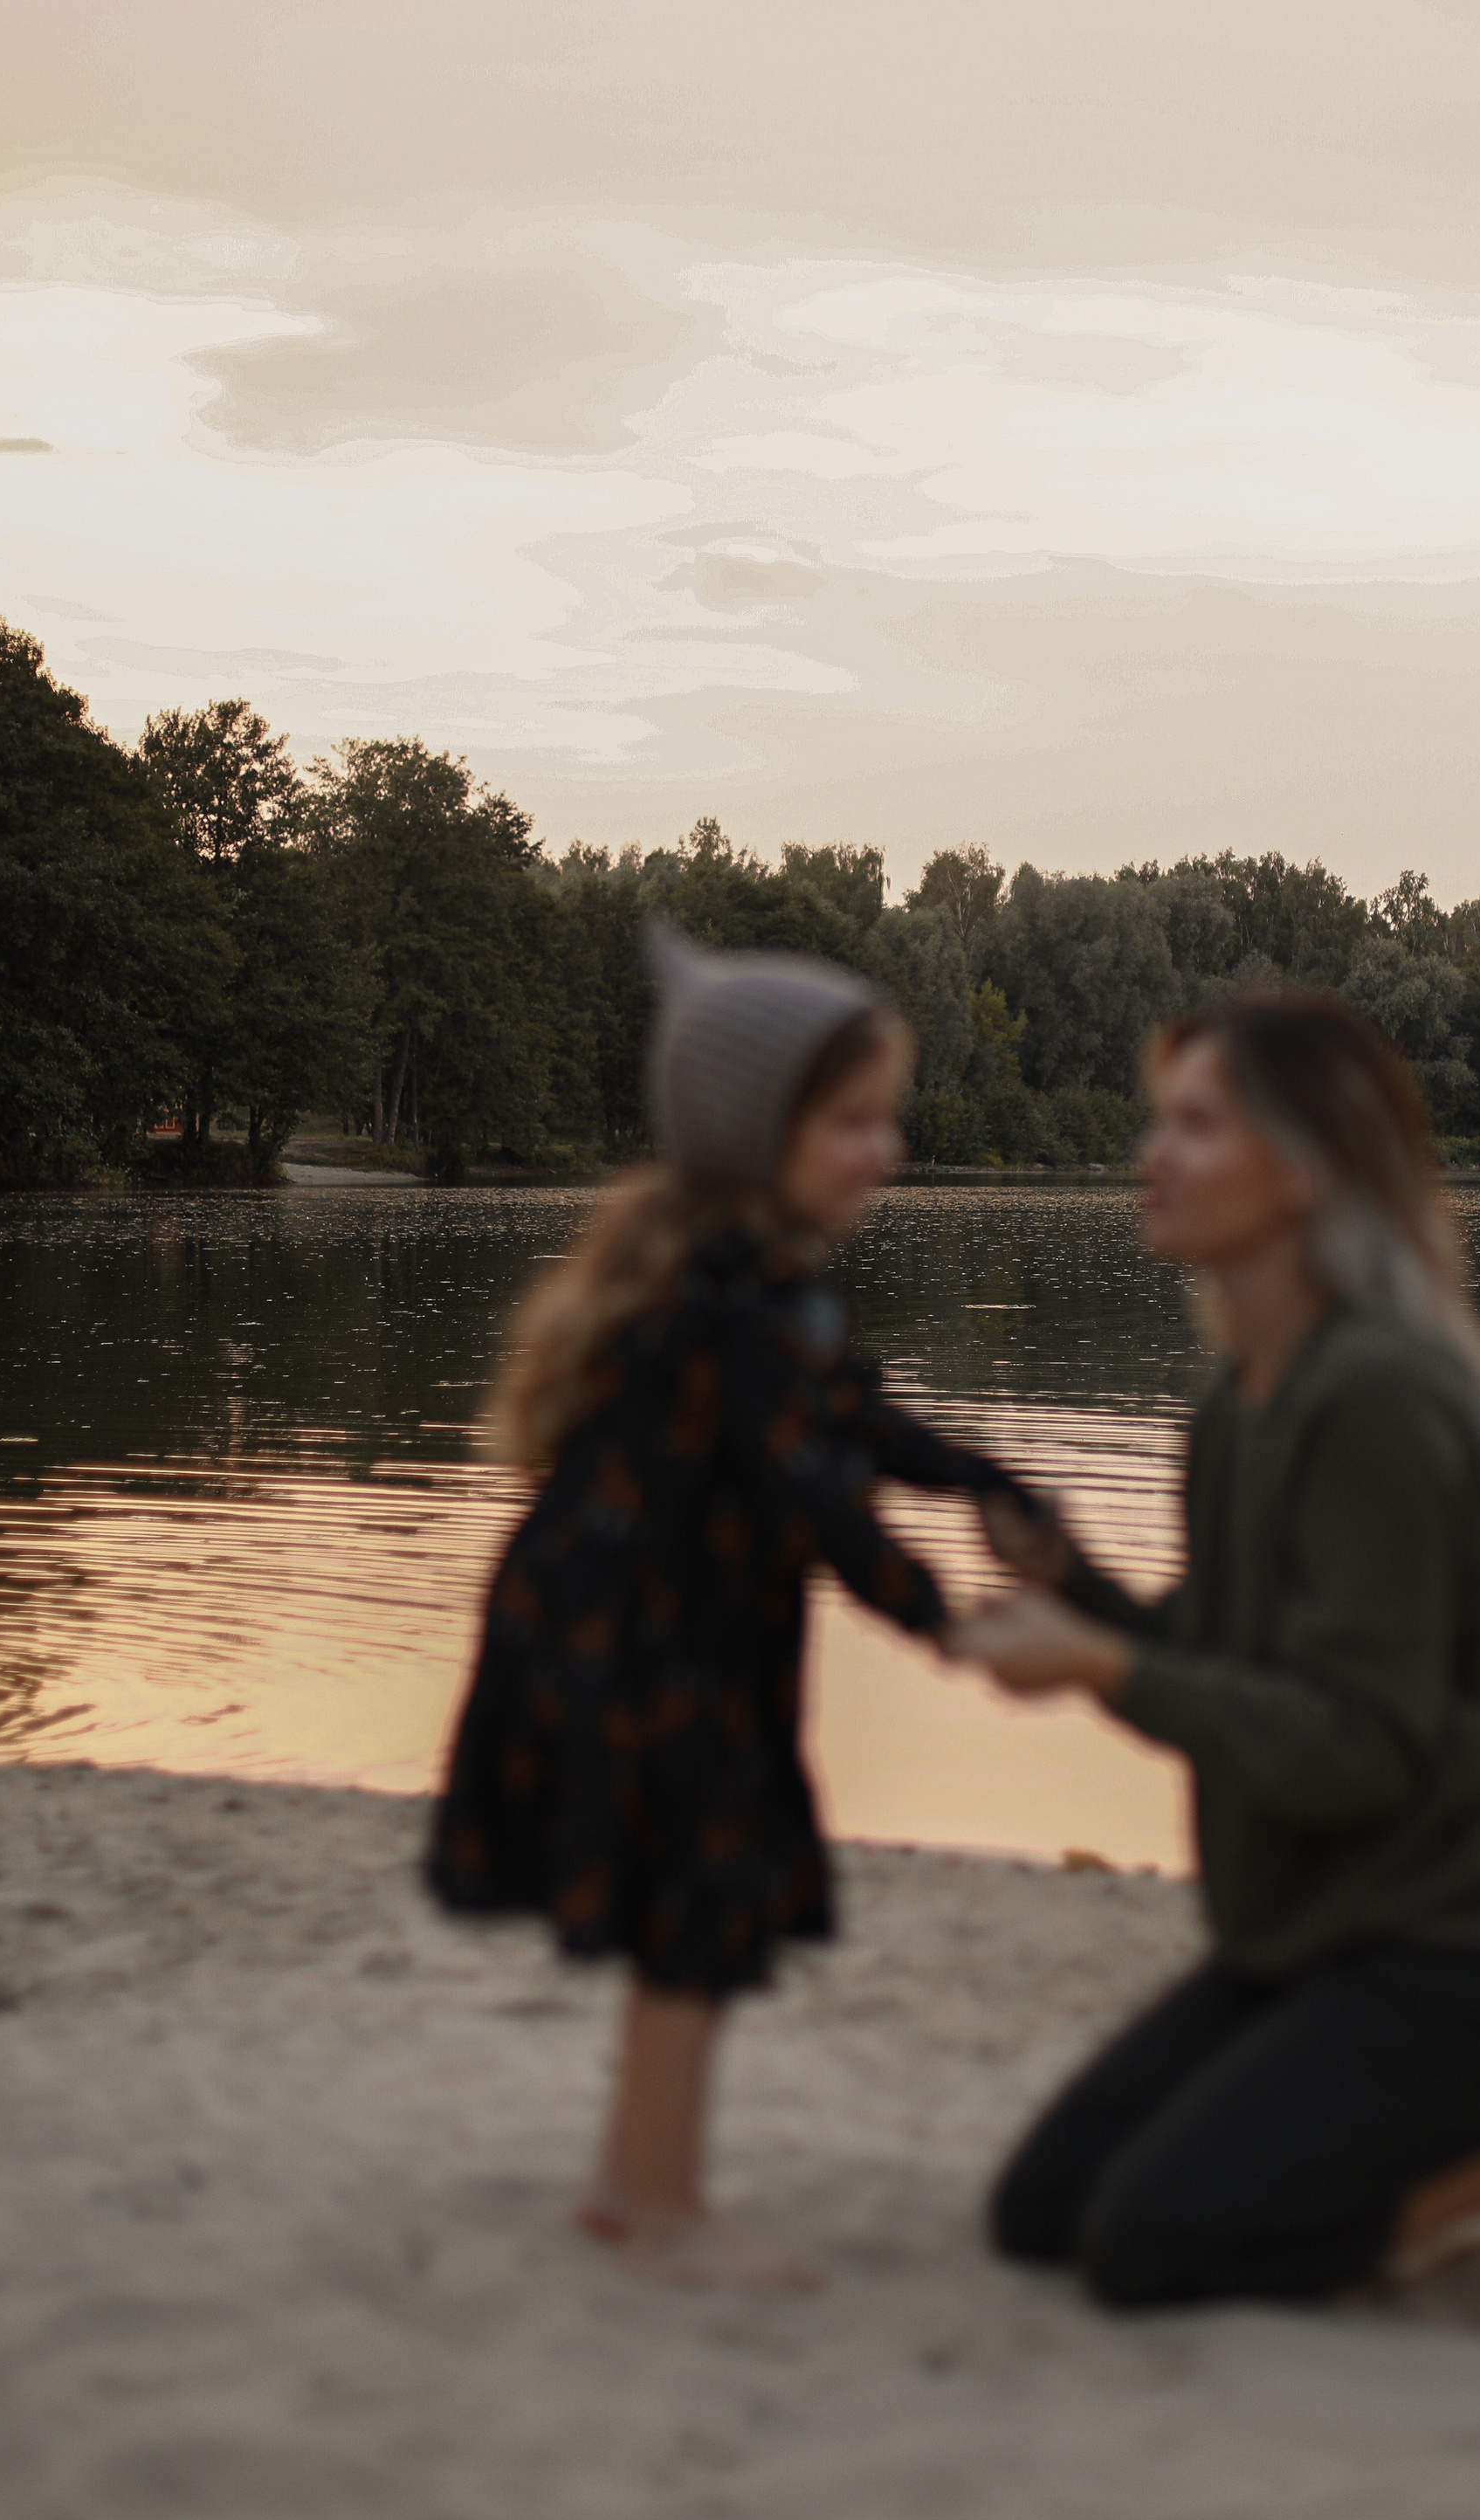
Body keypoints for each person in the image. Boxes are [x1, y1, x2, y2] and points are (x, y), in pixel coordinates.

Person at [954, 989, 1480, 2311]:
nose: (1150, 1157)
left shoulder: (1380, 1396)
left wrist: (1103, 1668)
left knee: (1152, 2251)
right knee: (1043, 2214)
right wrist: (1077, 1589)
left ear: (1302, 1166)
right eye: (1157, 1122)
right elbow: (1232, 1670)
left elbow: (1359, 1748)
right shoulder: (1242, 1404)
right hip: (1329, 1927)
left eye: (1196, 1125)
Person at [425, 923, 1039, 2290]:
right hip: (639, 1646)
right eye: (852, 1122)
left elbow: (856, 1415)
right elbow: (809, 1493)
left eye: (888, 1119)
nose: (883, 1150)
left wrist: (985, 1475)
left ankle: (631, 2186)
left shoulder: (764, 1288)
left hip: (673, 1635)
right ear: (755, 1133)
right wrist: (944, 1617)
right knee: (692, 1912)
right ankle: (655, 2204)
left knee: (691, 1913)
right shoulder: (721, 1311)